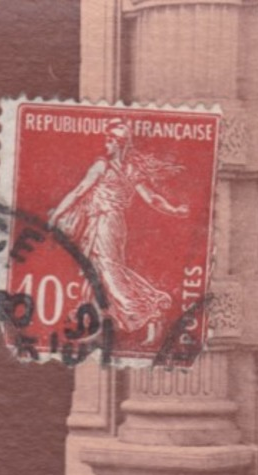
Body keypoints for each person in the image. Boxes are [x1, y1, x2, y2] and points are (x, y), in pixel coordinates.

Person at [48, 119, 190, 344]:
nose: (108, 142)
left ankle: (149, 312)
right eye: (108, 138)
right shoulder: (125, 169)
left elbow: (79, 193)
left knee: (108, 271)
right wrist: (174, 210)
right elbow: (79, 192)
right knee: (95, 272)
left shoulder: (106, 167)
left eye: (113, 139)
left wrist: (174, 209)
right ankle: (96, 325)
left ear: (123, 144)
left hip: (107, 224)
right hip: (104, 223)